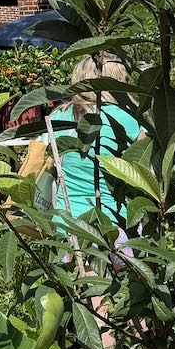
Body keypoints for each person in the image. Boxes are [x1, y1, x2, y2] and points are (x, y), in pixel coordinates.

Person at [47, 54, 141, 224]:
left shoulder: (58, 117)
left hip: (66, 222)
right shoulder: (125, 118)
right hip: (113, 223)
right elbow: (148, 166)